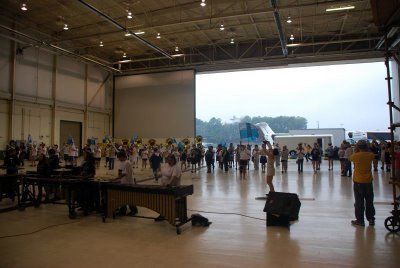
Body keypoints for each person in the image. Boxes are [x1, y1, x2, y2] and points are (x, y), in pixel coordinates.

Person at [349, 140, 375, 227]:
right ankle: (371, 219)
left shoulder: (356, 156)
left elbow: (350, 158)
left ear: (358, 147)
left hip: (358, 181)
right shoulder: (370, 155)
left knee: (359, 201)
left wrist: (356, 150)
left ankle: (360, 220)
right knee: (369, 201)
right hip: (368, 181)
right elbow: (372, 154)